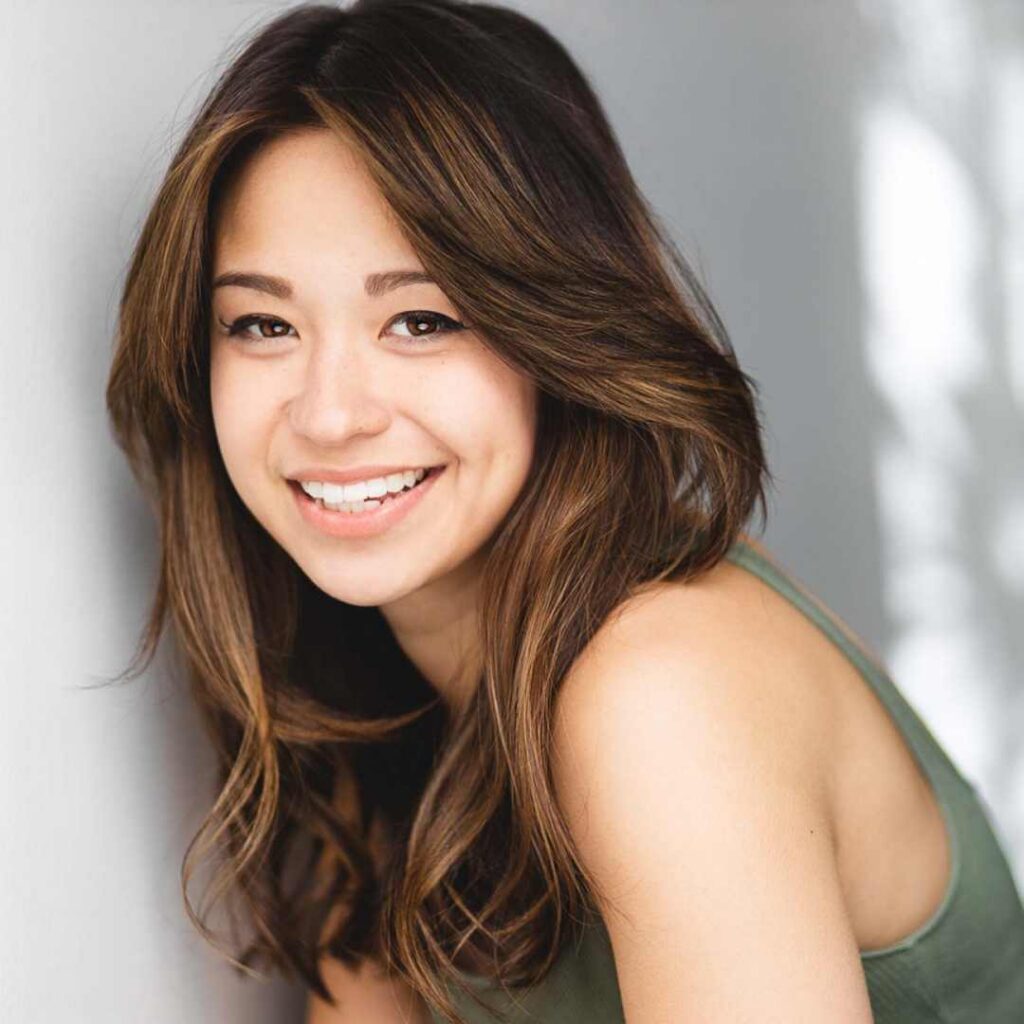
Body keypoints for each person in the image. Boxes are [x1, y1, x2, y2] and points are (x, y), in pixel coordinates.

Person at [104, 1, 1024, 1021]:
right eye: (263, 323)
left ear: (556, 331)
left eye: (420, 319)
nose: (329, 414)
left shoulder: (658, 689)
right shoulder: (373, 682)